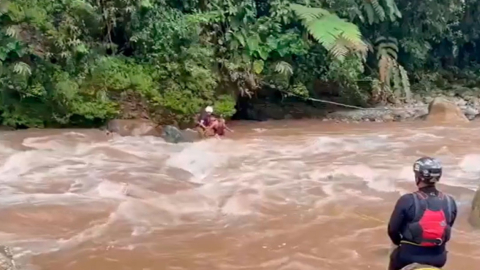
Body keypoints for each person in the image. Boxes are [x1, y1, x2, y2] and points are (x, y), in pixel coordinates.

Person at [387, 157, 457, 270]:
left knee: (394, 255)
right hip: (439, 258)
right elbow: (447, 227)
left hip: (408, 257)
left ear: (418, 177)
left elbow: (392, 230)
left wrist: (400, 244)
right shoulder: (450, 201)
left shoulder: (407, 200)